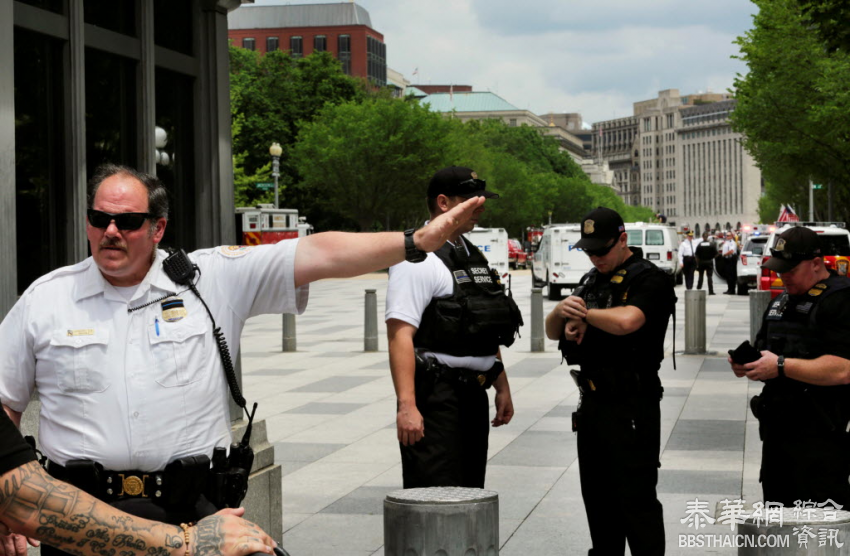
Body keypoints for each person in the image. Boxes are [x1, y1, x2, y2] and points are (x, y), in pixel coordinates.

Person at [0, 163, 483, 555]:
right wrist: (10, 510)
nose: (110, 231)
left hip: (196, 516)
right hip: (83, 527)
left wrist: (413, 243)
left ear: (158, 227)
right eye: (98, 218)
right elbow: (5, 404)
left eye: (127, 221)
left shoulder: (209, 279)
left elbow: (319, 252)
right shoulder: (46, 299)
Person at [544, 207, 675, 556]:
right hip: (592, 405)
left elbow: (628, 321)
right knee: (598, 500)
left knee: (636, 500)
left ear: (622, 240)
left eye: (601, 250)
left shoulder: (649, 278)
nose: (595, 257)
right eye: (589, 250)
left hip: (632, 402)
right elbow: (551, 329)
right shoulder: (592, 279)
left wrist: (586, 315)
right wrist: (563, 313)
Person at [385, 166, 521, 488]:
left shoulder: (468, 253)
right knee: (434, 495)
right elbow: (399, 335)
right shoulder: (417, 258)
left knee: (470, 491)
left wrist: (501, 385)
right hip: (436, 397)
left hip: (473, 393)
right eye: (471, 199)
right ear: (444, 203)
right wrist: (407, 406)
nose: (480, 206)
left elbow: (482, 324)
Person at [0, 407, 275, 556]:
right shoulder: (41, 305)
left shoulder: (206, 300)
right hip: (82, 507)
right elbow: (24, 502)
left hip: (188, 499)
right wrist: (189, 542)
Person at [730, 226, 850, 507]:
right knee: (778, 522)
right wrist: (749, 365)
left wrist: (781, 366)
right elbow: (766, 352)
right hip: (778, 435)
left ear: (816, 264)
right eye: (779, 269)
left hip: (821, 438)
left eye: (790, 270)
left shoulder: (840, 300)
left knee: (821, 532)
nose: (783, 277)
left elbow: (844, 369)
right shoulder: (781, 302)